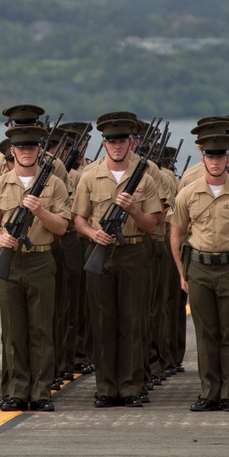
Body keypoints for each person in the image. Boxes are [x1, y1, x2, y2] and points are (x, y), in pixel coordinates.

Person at [170, 126, 229, 412]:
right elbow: (175, 235)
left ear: (228, 157)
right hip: (198, 268)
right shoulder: (188, 193)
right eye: (210, 156)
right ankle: (209, 392)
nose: (215, 161)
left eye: (220, 156)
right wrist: (181, 273)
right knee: (206, 333)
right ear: (203, 159)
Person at [73, 112, 164, 408]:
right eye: (111, 141)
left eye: (122, 140)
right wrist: (92, 234)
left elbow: (153, 224)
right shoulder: (90, 176)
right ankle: (105, 387)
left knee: (133, 321)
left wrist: (134, 210)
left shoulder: (146, 177)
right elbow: (78, 219)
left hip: (134, 252)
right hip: (102, 252)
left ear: (131, 142)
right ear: (104, 143)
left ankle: (131, 386)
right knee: (102, 322)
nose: (117, 146)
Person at [0, 123, 71, 411]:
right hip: (10, 260)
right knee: (13, 331)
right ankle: (16, 391)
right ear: (12, 151)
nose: (27, 152)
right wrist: (0, 240)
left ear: (39, 151)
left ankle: (42, 391)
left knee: (41, 328)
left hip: (41, 259)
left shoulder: (54, 184)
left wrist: (39, 210)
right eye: (21, 148)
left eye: (32, 147)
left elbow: (62, 228)